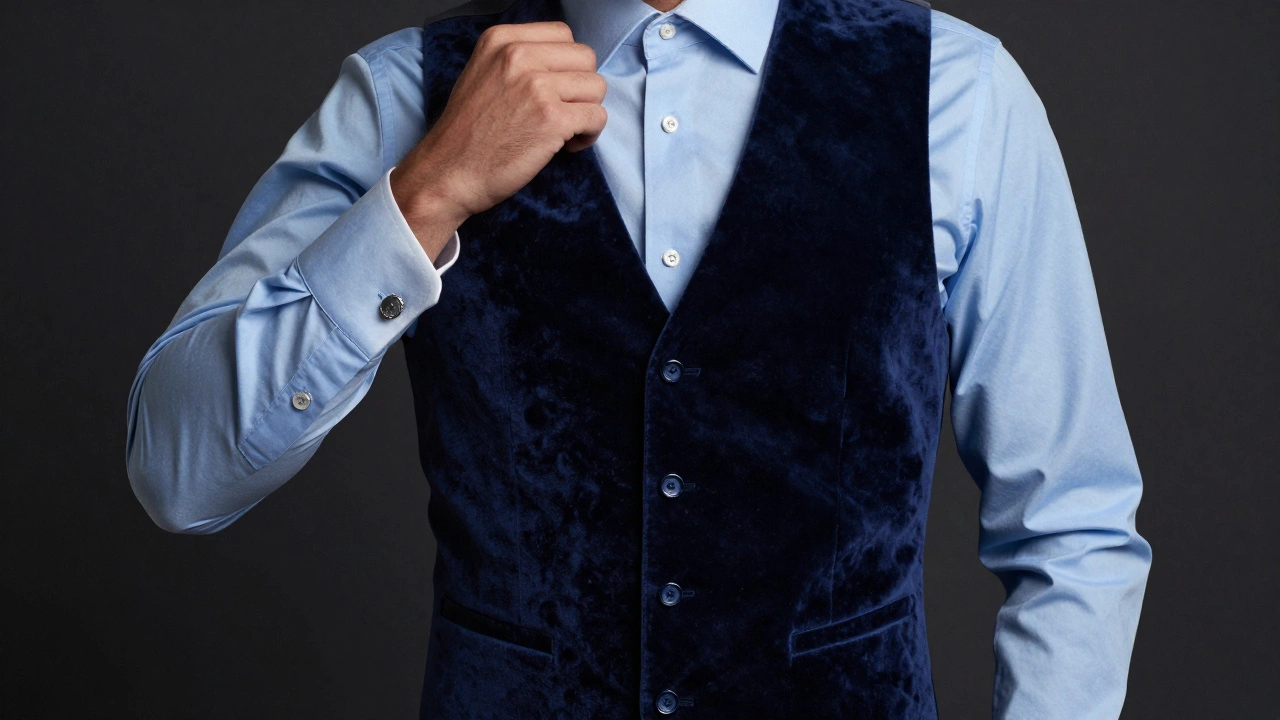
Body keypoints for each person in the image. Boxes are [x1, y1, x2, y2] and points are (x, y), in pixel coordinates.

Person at [125, 0, 1152, 717]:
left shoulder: (957, 96)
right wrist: (424, 193)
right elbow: (178, 473)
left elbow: (1073, 523)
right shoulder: (407, 93)